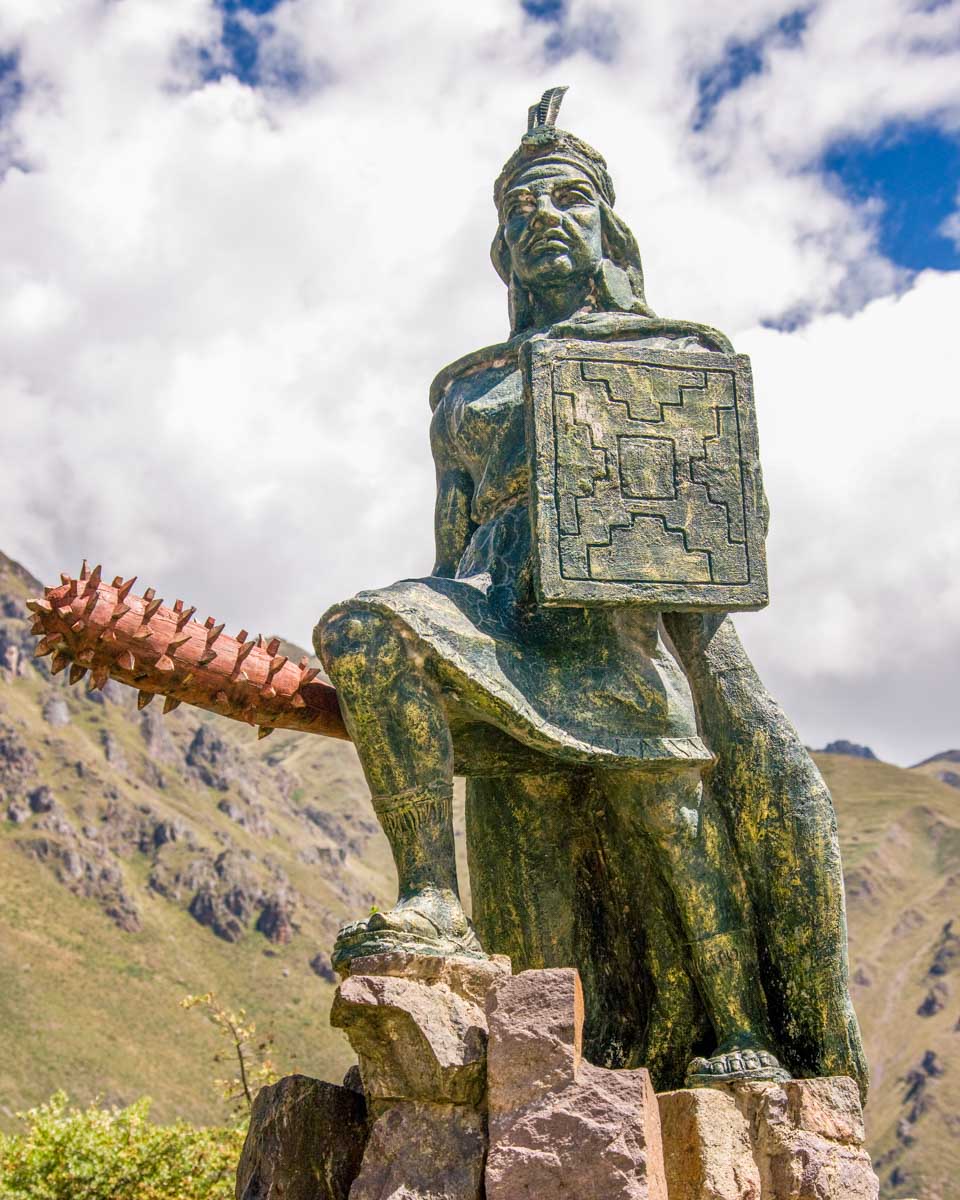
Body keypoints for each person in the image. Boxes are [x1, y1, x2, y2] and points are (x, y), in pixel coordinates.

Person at [315, 88, 867, 1094]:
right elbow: (451, 536)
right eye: (517, 212)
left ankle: (740, 1021)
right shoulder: (464, 385)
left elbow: (725, 515)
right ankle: (434, 897)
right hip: (496, 607)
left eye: (564, 199)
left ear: (607, 224)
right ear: (502, 251)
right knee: (363, 627)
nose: (539, 223)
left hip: (615, 623)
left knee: (670, 818)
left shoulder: (669, 354)